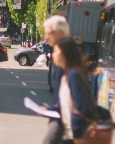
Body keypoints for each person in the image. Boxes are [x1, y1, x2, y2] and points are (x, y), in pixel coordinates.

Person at [51, 37, 96, 144]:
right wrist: (46, 111)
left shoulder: (74, 75)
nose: (53, 55)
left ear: (64, 54)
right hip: (70, 135)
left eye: (56, 51)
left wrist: (77, 133)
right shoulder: (66, 75)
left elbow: (82, 106)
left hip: (76, 137)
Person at [43, 15, 71, 144]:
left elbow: (77, 98)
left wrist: (50, 111)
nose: (46, 37)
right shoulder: (61, 55)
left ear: (60, 33)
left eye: (49, 33)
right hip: (60, 117)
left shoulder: (67, 59)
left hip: (64, 120)